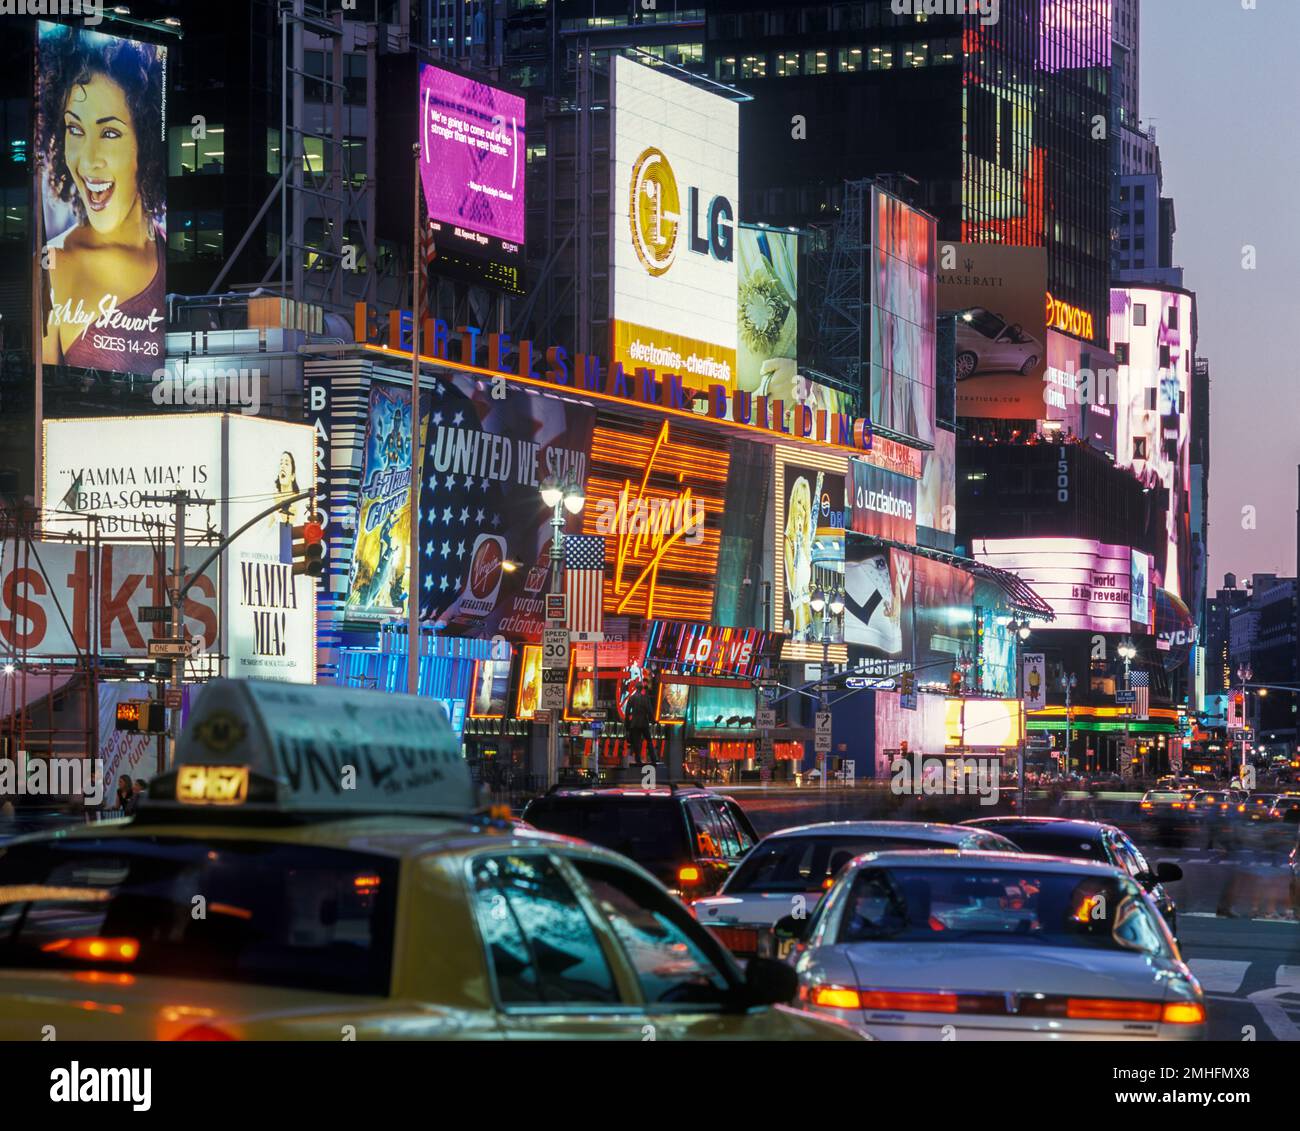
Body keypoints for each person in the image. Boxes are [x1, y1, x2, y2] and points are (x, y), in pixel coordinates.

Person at [37, 25, 167, 368]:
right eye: (75, 129)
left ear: (147, 145)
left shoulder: (171, 254)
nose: (88, 158)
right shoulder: (51, 263)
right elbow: (38, 401)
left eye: (110, 133)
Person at [623, 682, 655, 766]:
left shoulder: (632, 698)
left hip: (634, 723)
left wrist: (627, 724)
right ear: (642, 689)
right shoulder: (645, 698)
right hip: (644, 722)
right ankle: (653, 758)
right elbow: (650, 711)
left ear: (636, 688)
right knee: (649, 740)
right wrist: (653, 720)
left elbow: (627, 712)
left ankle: (638, 759)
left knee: (636, 742)